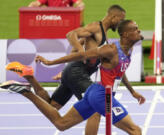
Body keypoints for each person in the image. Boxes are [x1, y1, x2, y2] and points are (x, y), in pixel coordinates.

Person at [1, 20, 145, 135]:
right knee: (135, 131)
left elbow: (120, 71)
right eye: (135, 29)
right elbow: (81, 55)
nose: (139, 31)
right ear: (125, 34)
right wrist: (50, 62)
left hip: (94, 93)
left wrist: (132, 92)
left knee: (61, 124)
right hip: (100, 95)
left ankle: (26, 92)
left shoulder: (129, 50)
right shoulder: (110, 50)